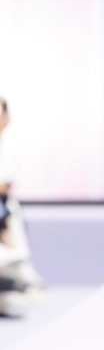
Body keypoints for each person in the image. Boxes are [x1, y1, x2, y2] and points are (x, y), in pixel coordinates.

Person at [0, 97, 46, 317]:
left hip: (4, 212)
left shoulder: (11, 148)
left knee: (16, 263)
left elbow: (6, 186)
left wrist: (3, 225)